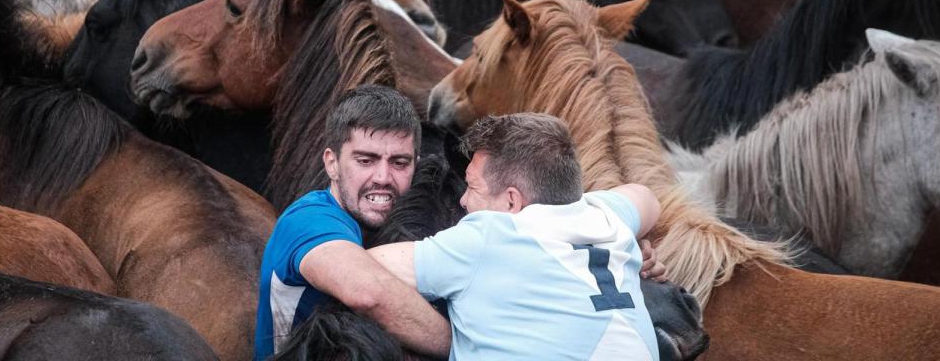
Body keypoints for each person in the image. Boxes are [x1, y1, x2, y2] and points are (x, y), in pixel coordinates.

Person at [369, 112, 666, 361]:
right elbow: (647, 197)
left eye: (472, 187)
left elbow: (360, 269)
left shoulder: (488, 237)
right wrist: (629, 242)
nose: (463, 201)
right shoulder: (605, 217)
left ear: (512, 202)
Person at [252, 85, 450, 361]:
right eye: (365, 160)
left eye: (399, 163)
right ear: (332, 163)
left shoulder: (399, 223)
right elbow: (368, 293)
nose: (383, 177)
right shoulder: (308, 219)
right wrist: (462, 348)